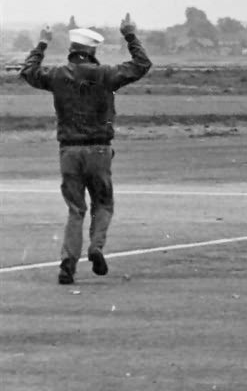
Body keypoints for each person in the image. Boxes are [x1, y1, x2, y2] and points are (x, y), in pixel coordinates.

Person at [19, 15, 151, 285]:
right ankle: (96, 247)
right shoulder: (106, 75)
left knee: (75, 209)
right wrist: (130, 36)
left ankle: (68, 261)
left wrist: (42, 44)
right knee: (103, 203)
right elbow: (141, 65)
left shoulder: (56, 75)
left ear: (72, 49)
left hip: (68, 151)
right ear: (92, 50)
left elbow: (29, 71)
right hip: (99, 150)